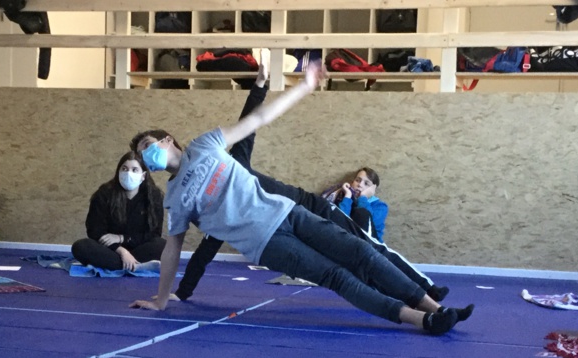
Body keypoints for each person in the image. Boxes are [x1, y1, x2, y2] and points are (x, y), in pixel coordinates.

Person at [128, 61, 473, 335]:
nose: (146, 156)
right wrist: (162, 299)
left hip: (289, 212)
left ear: (168, 140)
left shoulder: (206, 145)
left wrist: (303, 87)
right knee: (337, 277)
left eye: (147, 146)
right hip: (267, 244)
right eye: (142, 156)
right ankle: (419, 320)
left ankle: (437, 309)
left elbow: (257, 118)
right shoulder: (174, 197)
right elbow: (173, 248)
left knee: (361, 252)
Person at [71, 151, 166, 271]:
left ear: (143, 175)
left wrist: (122, 238)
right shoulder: (104, 194)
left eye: (134, 170)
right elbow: (95, 231)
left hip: (140, 247)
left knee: (163, 246)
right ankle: (134, 266)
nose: (128, 173)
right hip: (110, 249)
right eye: (124, 169)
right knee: (80, 246)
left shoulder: (154, 196)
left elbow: (154, 233)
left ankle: (119, 265)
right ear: (118, 172)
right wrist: (122, 251)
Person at [323, 167, 388, 241]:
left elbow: (368, 224)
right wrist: (347, 195)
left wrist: (363, 197)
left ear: (373, 189)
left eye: (366, 183)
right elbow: (340, 220)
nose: (360, 185)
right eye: (357, 180)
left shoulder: (381, 206)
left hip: (370, 243)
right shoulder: (346, 200)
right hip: (348, 240)